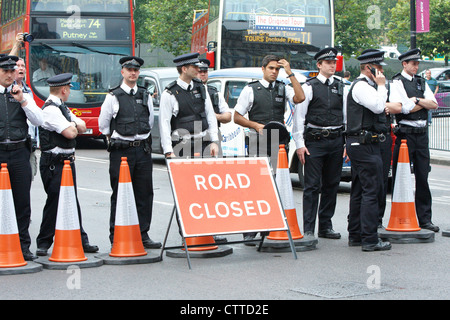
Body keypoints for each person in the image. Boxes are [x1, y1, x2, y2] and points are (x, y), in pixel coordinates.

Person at [233, 54, 305, 242]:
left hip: (279, 142)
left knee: (276, 185)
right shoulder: (251, 89)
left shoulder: (283, 87)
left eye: (277, 69)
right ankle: (250, 229)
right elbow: (237, 116)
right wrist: (255, 125)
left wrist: (290, 73)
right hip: (259, 140)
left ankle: (270, 226)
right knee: (257, 186)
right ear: (263, 69)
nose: (274, 72)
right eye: (271, 68)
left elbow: (300, 97)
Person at [99, 56, 161, 249]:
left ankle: (143, 234)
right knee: (120, 193)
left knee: (144, 194)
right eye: (129, 69)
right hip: (122, 152)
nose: (133, 73)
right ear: (122, 72)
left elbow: (149, 122)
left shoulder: (144, 95)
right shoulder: (113, 96)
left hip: (142, 150)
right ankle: (116, 234)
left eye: (136, 70)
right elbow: (104, 126)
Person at [36, 73, 98, 256]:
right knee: (55, 201)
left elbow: (82, 125)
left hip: (67, 162)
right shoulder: (50, 110)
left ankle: (81, 239)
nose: (70, 91)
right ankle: (44, 241)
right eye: (69, 88)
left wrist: (72, 124)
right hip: (54, 163)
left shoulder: (62, 107)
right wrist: (73, 124)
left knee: (71, 200)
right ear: (63, 89)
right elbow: (72, 132)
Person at [292, 47, 346, 241]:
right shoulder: (309, 86)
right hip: (315, 141)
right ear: (319, 65)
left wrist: (345, 142)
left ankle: (326, 226)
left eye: (334, 63)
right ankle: (308, 228)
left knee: (332, 185)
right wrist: (299, 143)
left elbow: (346, 116)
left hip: (336, 139)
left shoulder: (341, 86)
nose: (332, 65)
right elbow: (299, 117)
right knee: (312, 186)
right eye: (328, 63)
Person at [345, 50, 392, 251]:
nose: (381, 72)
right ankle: (370, 239)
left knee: (359, 190)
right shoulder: (362, 86)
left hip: (363, 143)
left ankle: (356, 234)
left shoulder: (365, 86)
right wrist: (381, 87)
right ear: (368, 68)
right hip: (364, 144)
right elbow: (378, 106)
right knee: (372, 191)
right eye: (378, 68)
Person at [390, 48, 439, 232]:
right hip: (406, 134)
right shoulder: (397, 82)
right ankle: (399, 216)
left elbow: (433, 104)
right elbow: (403, 108)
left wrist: (416, 100)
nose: (416, 67)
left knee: (423, 177)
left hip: (421, 135)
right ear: (404, 64)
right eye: (413, 64)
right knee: (401, 177)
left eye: (418, 64)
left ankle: (425, 219)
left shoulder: (421, 81)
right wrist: (419, 103)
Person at [0, 55, 44, 261]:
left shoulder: (23, 93)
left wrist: (23, 101)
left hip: (19, 152)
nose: (10, 75)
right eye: (5, 71)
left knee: (22, 202)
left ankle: (23, 246)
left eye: (12, 71)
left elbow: (38, 120)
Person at [159, 52, 220, 159]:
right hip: (181, 146)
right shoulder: (169, 93)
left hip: (203, 144)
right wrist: (168, 151)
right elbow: (164, 124)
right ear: (184, 69)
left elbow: (210, 115)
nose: (198, 69)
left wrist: (214, 141)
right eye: (194, 66)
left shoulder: (201, 88)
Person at [197, 58, 232, 156]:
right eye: (200, 71)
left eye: (205, 71)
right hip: (195, 135)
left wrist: (213, 116)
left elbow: (228, 116)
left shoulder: (215, 93)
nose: (203, 74)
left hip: (213, 135)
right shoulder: (188, 92)